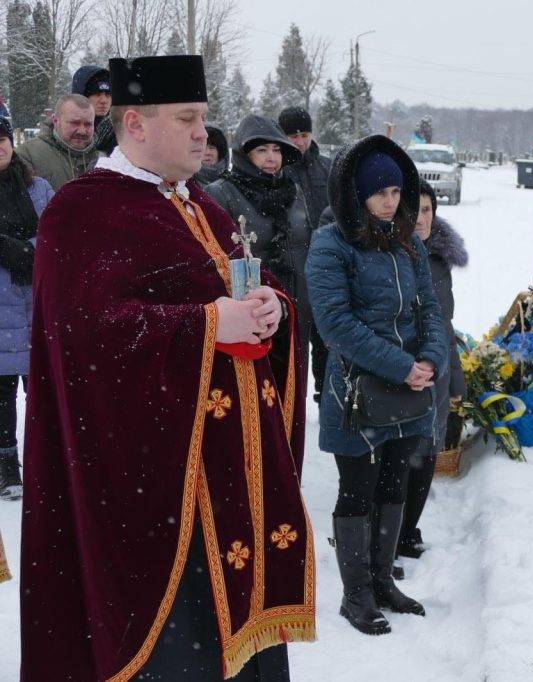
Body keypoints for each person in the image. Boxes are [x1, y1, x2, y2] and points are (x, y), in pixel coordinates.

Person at [21, 55, 314, 681]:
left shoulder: (202, 207)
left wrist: (270, 310)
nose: (202, 133)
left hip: (234, 479)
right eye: (187, 118)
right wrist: (208, 326)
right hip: (154, 497)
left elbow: (234, 288)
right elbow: (85, 338)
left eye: (204, 118)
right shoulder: (81, 213)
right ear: (135, 123)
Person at [306, 135, 448, 636]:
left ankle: (384, 580)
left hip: (409, 389)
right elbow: (336, 324)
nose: (391, 201)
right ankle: (357, 594)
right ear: (356, 195)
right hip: (358, 393)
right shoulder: (332, 243)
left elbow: (430, 310)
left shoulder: (407, 242)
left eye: (396, 192)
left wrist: (429, 358)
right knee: (358, 490)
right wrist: (400, 366)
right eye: (380, 193)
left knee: (395, 485)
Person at [206, 115, 314, 448]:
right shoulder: (221, 193)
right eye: (262, 150)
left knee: (288, 401)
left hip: (293, 312)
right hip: (250, 319)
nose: (271, 158)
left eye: (276, 150)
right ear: (244, 155)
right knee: (252, 409)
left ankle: (287, 483)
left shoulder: (293, 192)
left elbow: (305, 246)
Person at [398, 180, 468, 561]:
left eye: (428, 210)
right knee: (398, 461)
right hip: (402, 372)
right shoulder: (391, 256)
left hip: (436, 373)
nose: (422, 218)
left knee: (426, 456)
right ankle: (390, 536)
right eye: (415, 210)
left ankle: (409, 530)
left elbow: (446, 323)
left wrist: (455, 378)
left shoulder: (439, 261)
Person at [0, 117, 53, 502]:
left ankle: (46, 465)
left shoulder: (37, 187)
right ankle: (7, 469)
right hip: (1, 309)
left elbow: (57, 232)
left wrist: (30, 249)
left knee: (42, 394)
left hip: (35, 305)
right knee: (2, 398)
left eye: (2, 139)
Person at [279, 106, 331, 403]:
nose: (300, 141)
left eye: (304, 134)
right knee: (294, 341)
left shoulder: (326, 167)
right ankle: (292, 400)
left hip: (325, 266)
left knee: (326, 339)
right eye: (293, 135)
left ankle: (327, 395)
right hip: (293, 268)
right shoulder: (280, 171)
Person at [15, 94, 99, 190]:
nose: (82, 131)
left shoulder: (102, 156)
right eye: (75, 123)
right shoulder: (27, 155)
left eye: (88, 124)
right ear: (56, 121)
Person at [72, 64, 117, 155]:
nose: (104, 101)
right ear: (82, 97)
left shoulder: (119, 134)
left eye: (108, 94)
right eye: (97, 94)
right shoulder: (62, 133)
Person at [194, 122, 228, 187]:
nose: (207, 153)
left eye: (212, 148)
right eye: (202, 148)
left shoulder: (234, 182)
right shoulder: (183, 185)